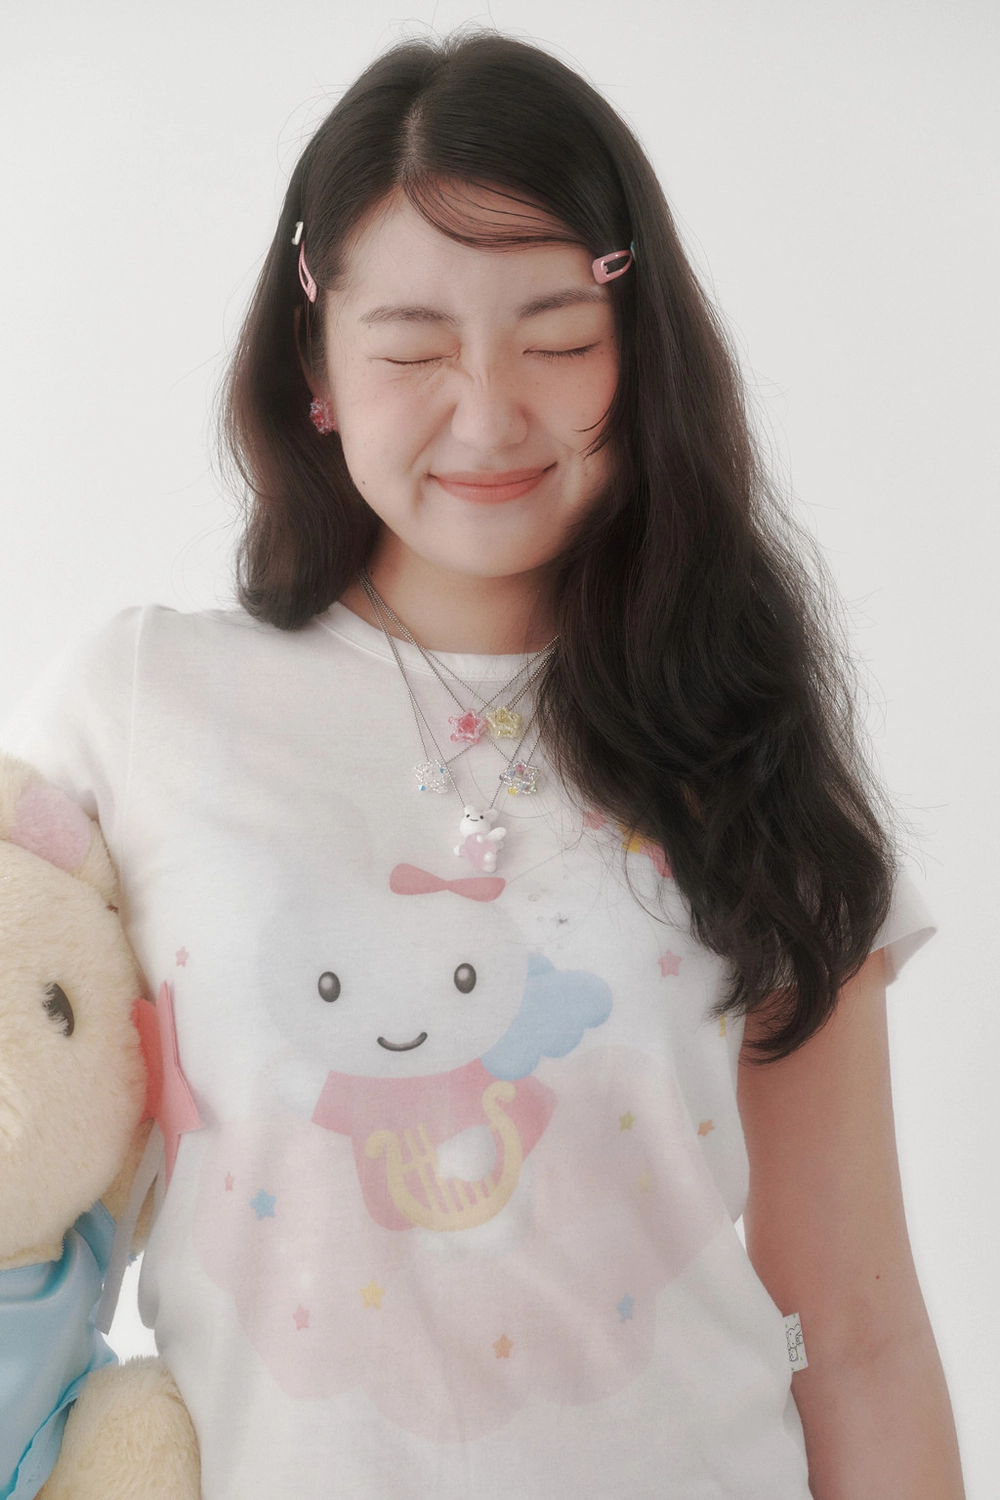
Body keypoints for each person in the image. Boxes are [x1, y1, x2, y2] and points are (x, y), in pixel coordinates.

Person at [2, 29, 965, 1500]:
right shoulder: (146, 706)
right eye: (411, 349)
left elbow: (857, 1331)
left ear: (637, 354)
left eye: (559, 339)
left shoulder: (745, 735)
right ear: (317, 365)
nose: (489, 410)